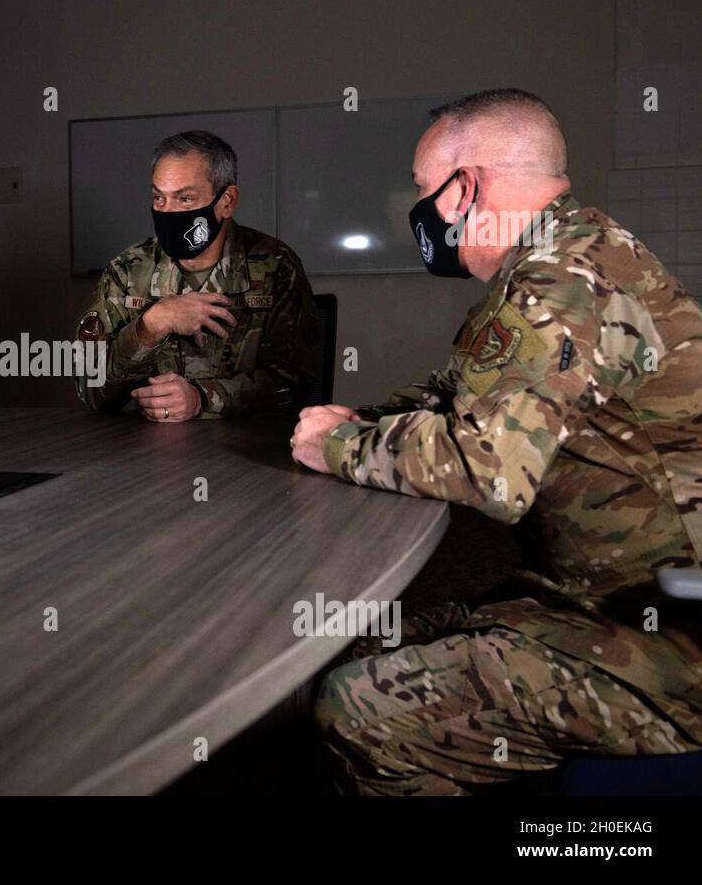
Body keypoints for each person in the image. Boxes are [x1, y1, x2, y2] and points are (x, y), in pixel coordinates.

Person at [291, 88, 702, 794]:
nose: (416, 210)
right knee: (359, 643)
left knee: (360, 703)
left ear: (468, 187)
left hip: (670, 644)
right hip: (603, 599)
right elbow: (455, 397)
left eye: (422, 191)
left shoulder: (558, 281)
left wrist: (339, 448)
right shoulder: (569, 253)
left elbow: (492, 471)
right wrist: (351, 420)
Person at [75, 130, 322, 420]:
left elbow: (295, 385)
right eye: (159, 198)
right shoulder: (127, 271)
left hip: (246, 448)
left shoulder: (275, 266)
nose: (168, 212)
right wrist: (151, 325)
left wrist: (201, 398)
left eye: (186, 199)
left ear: (226, 201)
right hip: (142, 448)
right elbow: (91, 389)